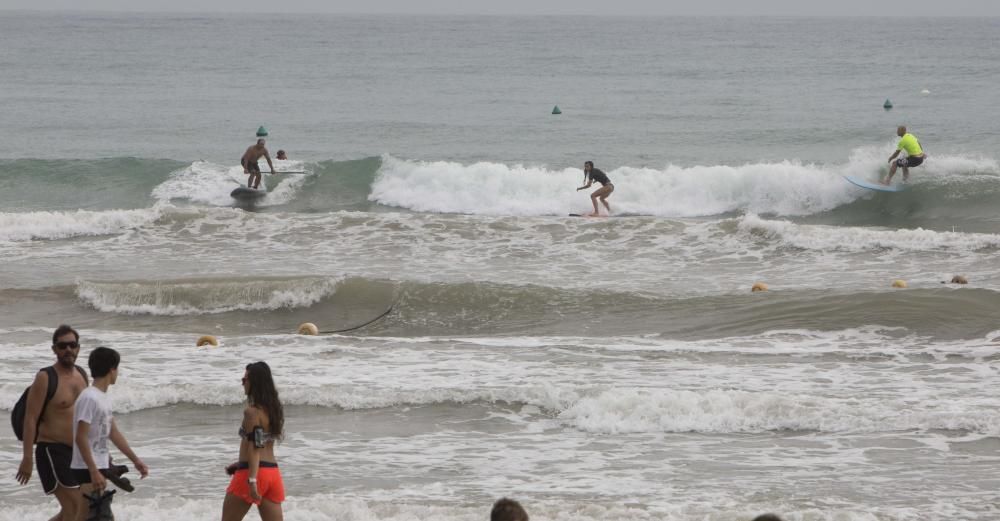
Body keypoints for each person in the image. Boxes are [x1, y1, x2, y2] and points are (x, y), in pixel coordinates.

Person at [15, 325, 89, 521]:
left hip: (76, 454)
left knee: (73, 512)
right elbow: (30, 419)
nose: (68, 350)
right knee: (76, 509)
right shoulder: (45, 378)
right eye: (62, 346)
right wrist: (27, 458)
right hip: (51, 452)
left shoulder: (82, 375)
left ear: (78, 348)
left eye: (72, 345)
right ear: (54, 349)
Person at [71, 346, 148, 520]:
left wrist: (135, 460)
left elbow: (113, 433)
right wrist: (93, 471)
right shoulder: (89, 398)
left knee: (99, 516)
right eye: (117, 368)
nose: (117, 373)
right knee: (86, 516)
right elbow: (80, 437)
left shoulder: (102, 397)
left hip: (98, 466)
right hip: (86, 468)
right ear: (112, 369)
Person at [222, 361, 286, 521]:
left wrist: (252, 480)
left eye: (245, 380)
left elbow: (255, 447)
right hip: (273, 474)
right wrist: (239, 463)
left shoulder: (252, 413)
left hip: (252, 474)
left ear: (254, 383)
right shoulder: (273, 411)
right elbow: (264, 444)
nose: (242, 383)